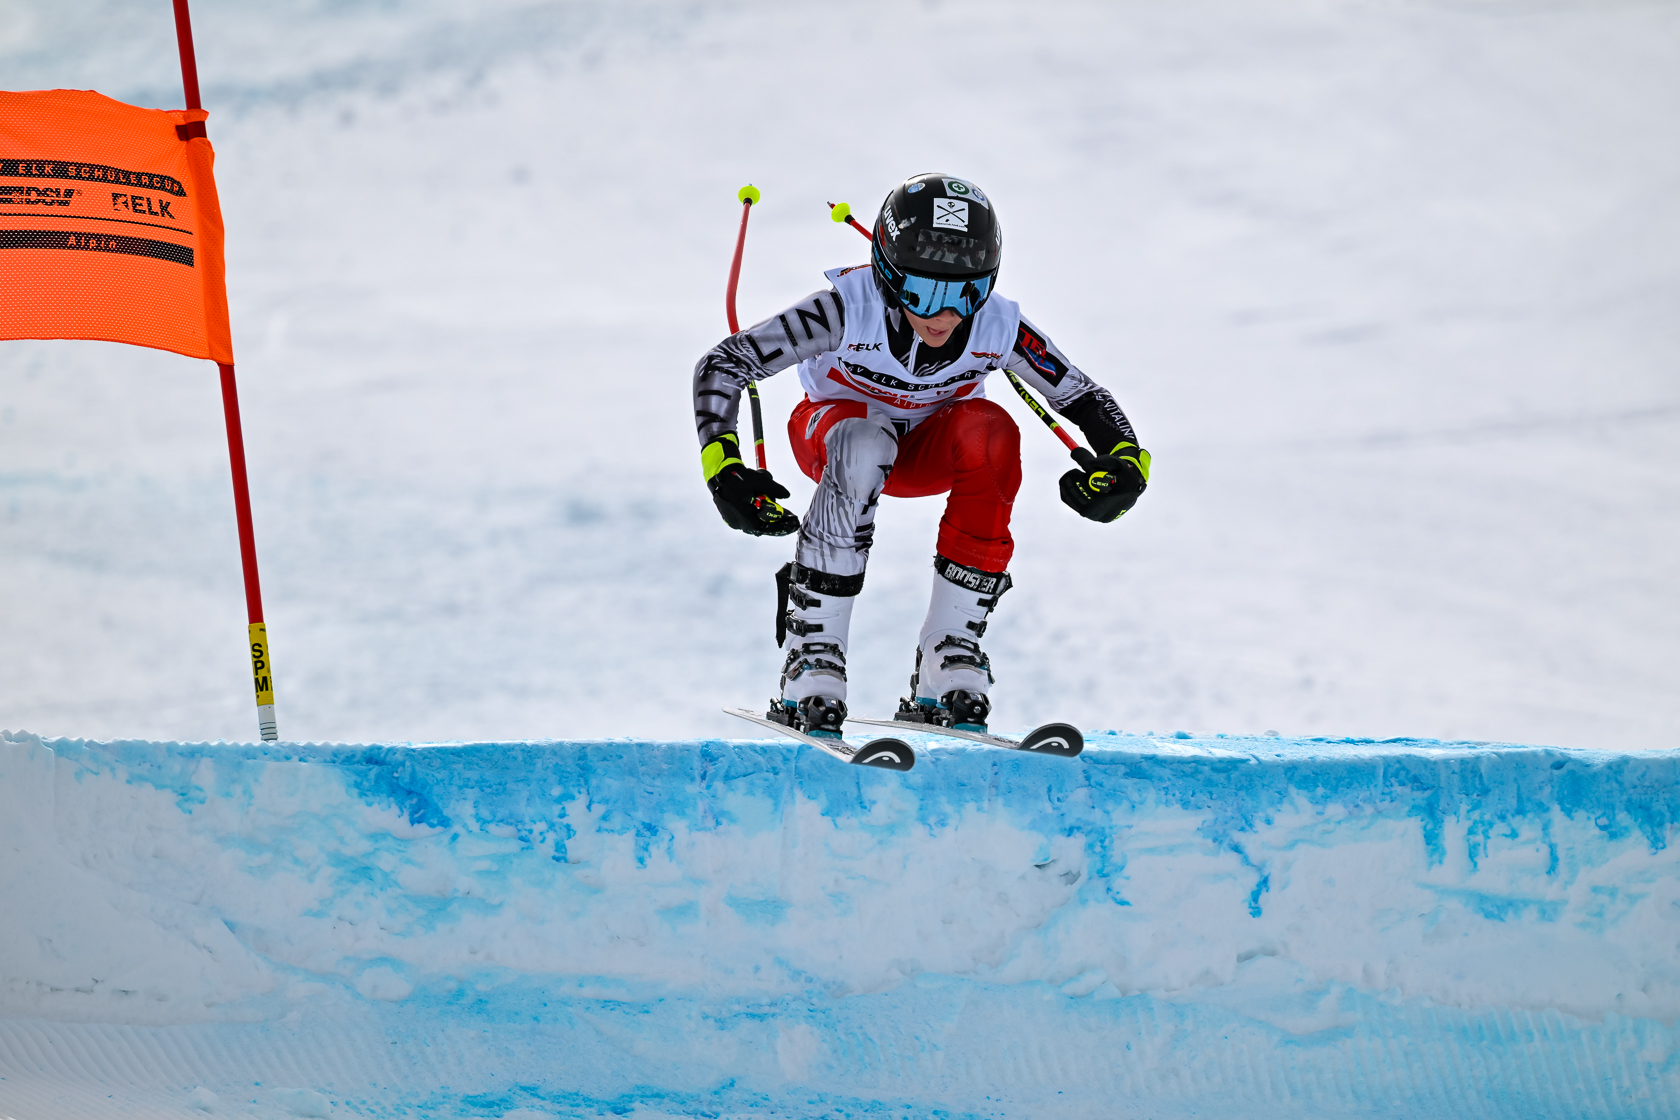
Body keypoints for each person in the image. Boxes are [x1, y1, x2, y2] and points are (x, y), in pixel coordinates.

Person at [693, 173, 1149, 738]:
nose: (949, 314)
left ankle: (948, 651)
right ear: (886, 275)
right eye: (926, 292)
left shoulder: (996, 323)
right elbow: (725, 363)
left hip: (928, 453)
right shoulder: (843, 310)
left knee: (994, 433)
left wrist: (1127, 462)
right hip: (833, 438)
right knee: (864, 440)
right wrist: (724, 468)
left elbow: (1081, 395)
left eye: (968, 291)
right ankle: (814, 651)